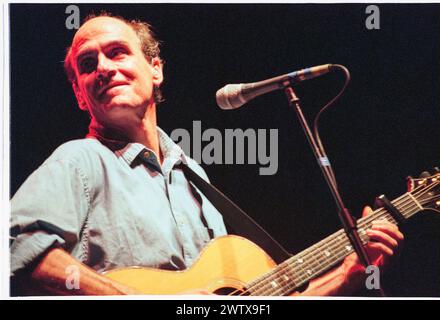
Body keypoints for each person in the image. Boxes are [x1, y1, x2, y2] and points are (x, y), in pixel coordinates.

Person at [10, 13, 404, 296]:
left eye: (118, 53)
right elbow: (16, 248)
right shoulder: (80, 160)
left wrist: (347, 274)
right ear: (80, 93)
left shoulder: (193, 176)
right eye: (87, 63)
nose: (104, 68)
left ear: (155, 69)